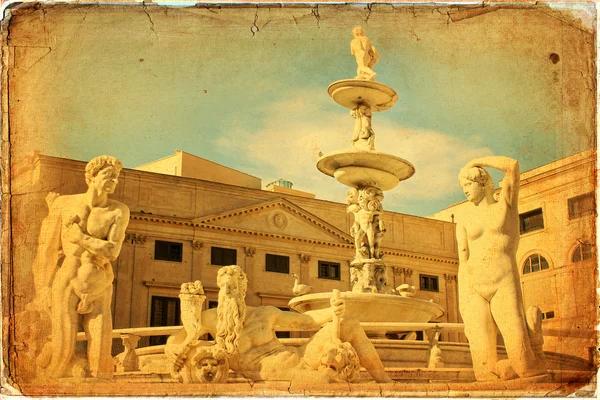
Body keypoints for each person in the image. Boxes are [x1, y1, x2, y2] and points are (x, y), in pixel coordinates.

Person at [166, 265, 392, 384]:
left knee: (349, 323)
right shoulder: (211, 319)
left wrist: (333, 310)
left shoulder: (265, 314)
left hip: (301, 356)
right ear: (219, 289)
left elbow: (307, 321)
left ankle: (386, 383)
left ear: (243, 290)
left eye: (234, 287)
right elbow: (177, 338)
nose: (229, 292)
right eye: (225, 288)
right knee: (324, 381)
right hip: (275, 373)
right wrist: (173, 350)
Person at [32, 155, 130, 379]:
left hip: (100, 280)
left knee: (101, 347)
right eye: (108, 176)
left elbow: (112, 251)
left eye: (116, 177)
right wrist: (43, 287)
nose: (114, 180)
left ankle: (100, 381)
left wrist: (79, 237)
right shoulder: (63, 204)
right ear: (91, 178)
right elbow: (46, 250)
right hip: (68, 277)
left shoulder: (118, 211)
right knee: (62, 346)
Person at [456, 156, 545, 381]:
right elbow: (463, 259)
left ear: (484, 182)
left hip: (502, 280)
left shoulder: (505, 204)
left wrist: (475, 161)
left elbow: (512, 165)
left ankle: (535, 344)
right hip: (473, 287)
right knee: (484, 373)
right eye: (462, 186)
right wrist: (463, 297)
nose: (464, 191)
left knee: (525, 366)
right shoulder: (464, 219)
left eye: (468, 184)